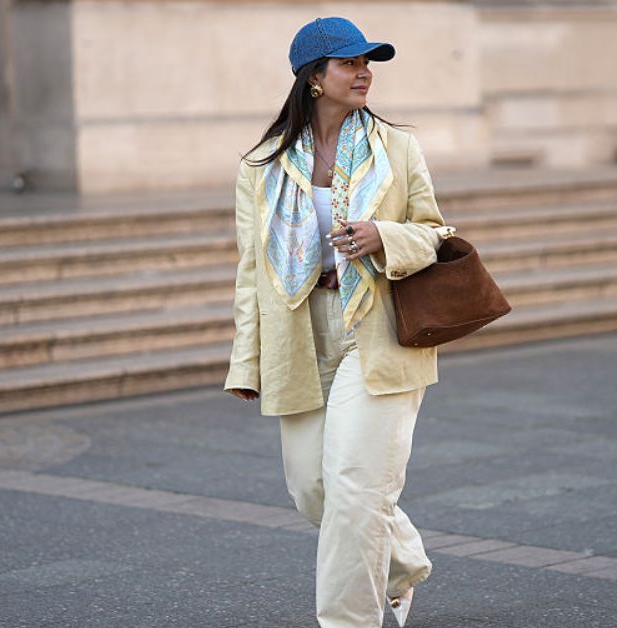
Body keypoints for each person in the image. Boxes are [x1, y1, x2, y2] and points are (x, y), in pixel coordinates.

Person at [224, 16, 450, 628]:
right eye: (350, 63)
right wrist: (246, 361)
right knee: (313, 491)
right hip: (299, 331)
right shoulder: (262, 165)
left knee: (354, 487)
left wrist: (385, 235)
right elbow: (251, 272)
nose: (364, 73)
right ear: (314, 78)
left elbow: (436, 233)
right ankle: (401, 563)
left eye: (367, 63)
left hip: (378, 327)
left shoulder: (397, 148)